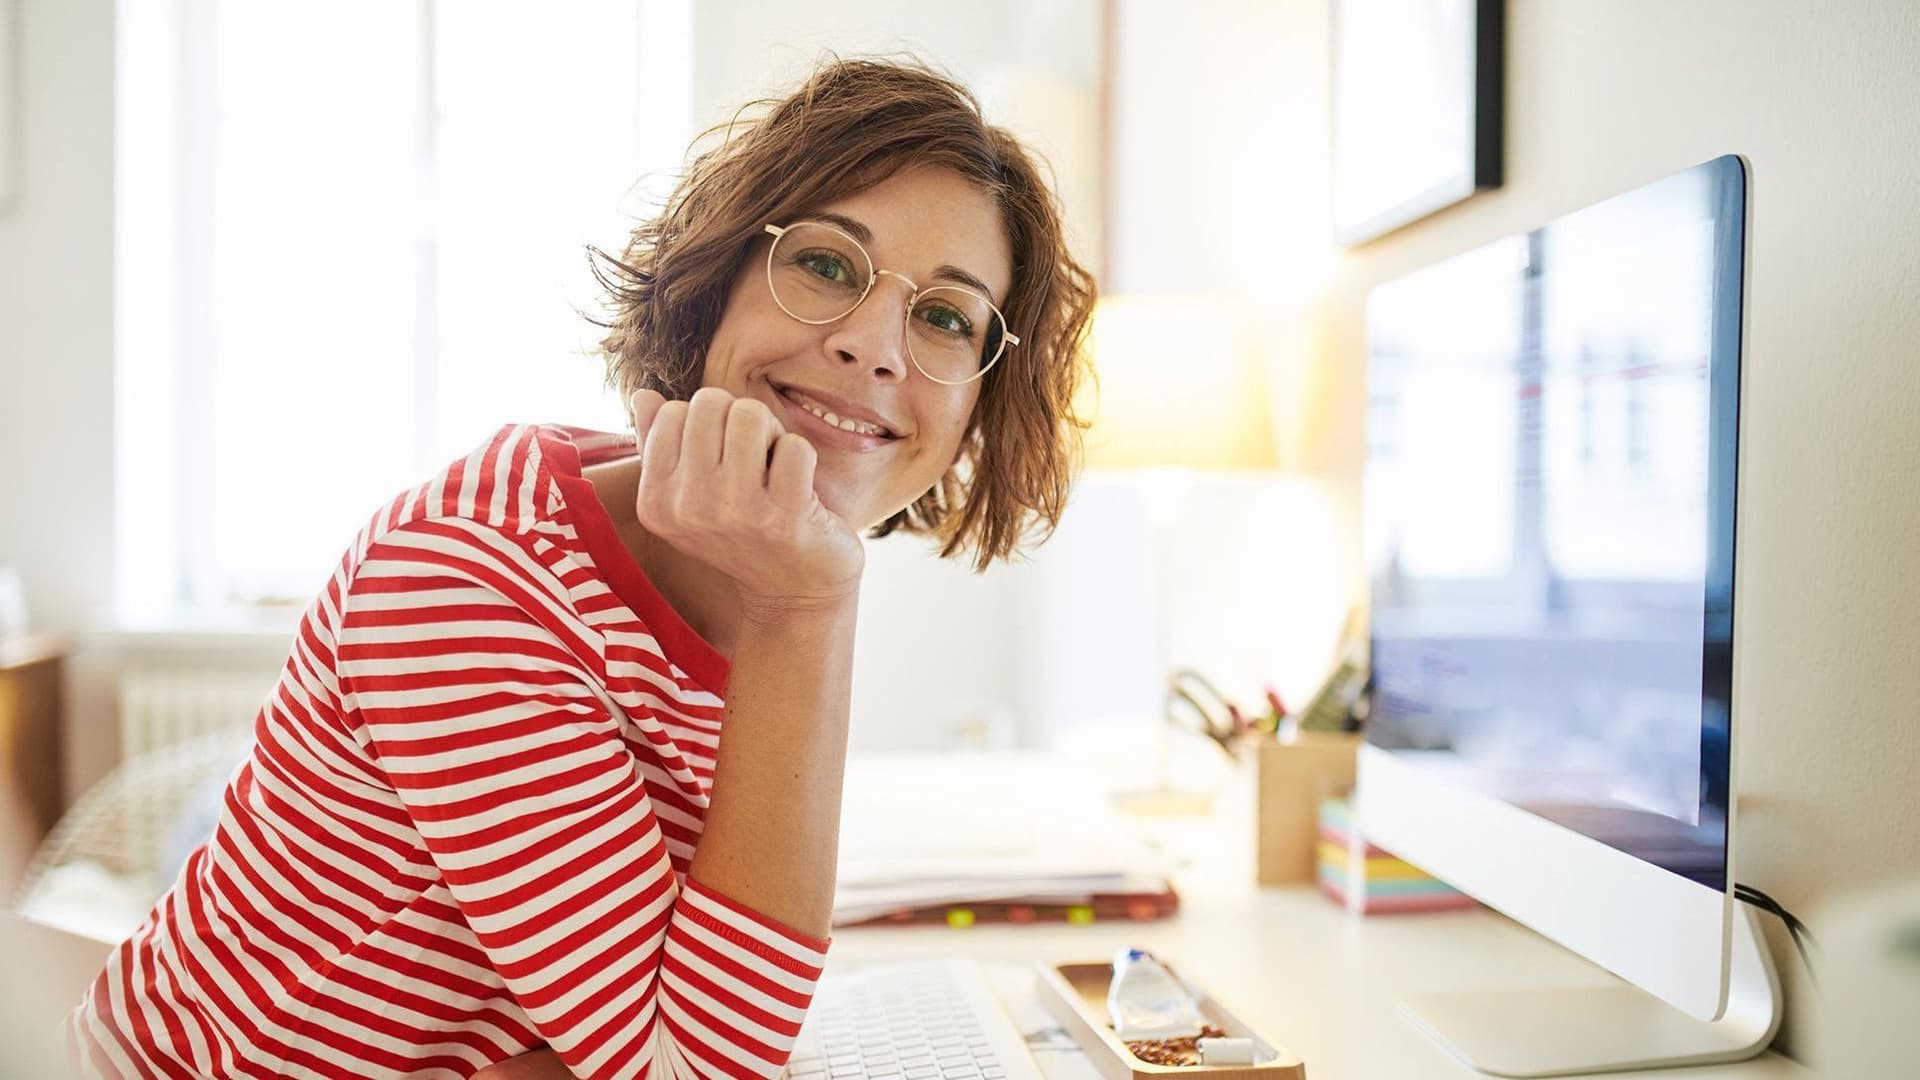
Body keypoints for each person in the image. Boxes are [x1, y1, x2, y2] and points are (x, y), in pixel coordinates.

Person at [66, 56, 1096, 1080]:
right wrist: (807, 608)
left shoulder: (757, 573)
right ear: (715, 280)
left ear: (975, 414)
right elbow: (695, 1067)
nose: (875, 347)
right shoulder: (467, 580)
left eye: (946, 318)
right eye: (826, 264)